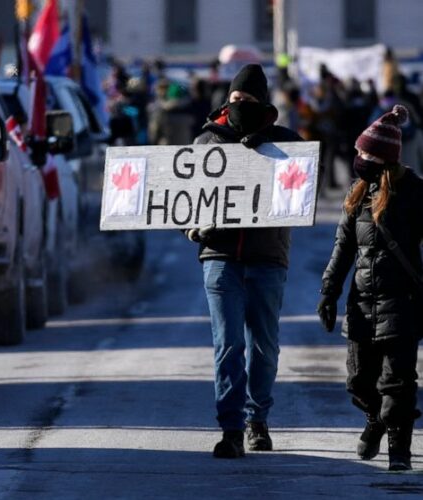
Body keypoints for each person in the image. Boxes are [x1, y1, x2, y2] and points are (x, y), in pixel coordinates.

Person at [185, 64, 302, 458]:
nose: (240, 105)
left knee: (264, 348)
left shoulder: (286, 144)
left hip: (268, 258)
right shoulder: (207, 143)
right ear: (226, 101)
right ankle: (231, 428)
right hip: (220, 259)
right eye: (236, 99)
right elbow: (183, 199)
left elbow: (302, 196)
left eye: (249, 101)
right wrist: (192, 229)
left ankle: (258, 420)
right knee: (228, 345)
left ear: (264, 103)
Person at [318, 104, 422, 471]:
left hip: (402, 304)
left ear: (383, 159)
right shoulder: (358, 193)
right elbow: (342, 248)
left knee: (397, 384)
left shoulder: (413, 194)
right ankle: (375, 420)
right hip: (361, 305)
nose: (358, 158)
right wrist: (328, 291)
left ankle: (399, 450)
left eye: (365, 153)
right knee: (359, 383)